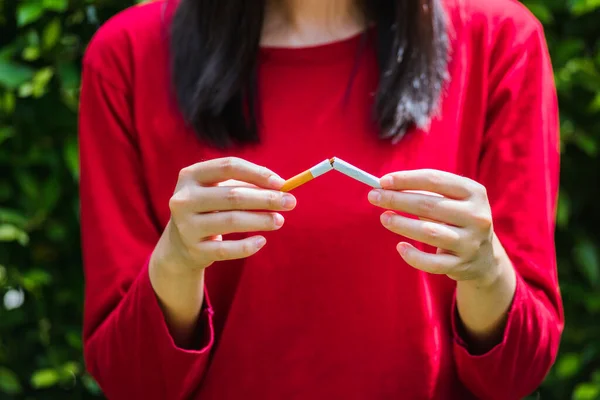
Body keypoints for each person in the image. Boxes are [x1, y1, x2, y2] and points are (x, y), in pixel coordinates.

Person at [78, 0, 563, 398]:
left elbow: (516, 372)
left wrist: (485, 270)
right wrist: (177, 265)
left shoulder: (500, 40)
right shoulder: (129, 55)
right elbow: (132, 379)